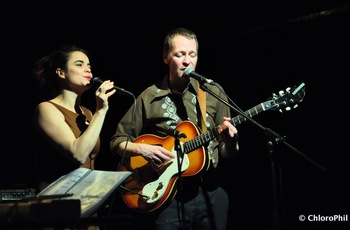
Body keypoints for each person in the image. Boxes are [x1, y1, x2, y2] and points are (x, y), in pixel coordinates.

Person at [110, 27, 239, 230]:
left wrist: (231, 143)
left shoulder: (213, 91)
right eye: (180, 54)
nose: (187, 61)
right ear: (166, 58)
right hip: (168, 197)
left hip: (211, 193)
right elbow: (117, 141)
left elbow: (227, 154)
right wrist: (143, 149)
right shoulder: (149, 97)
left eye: (192, 54)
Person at [31, 44, 116, 193]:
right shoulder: (46, 109)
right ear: (61, 73)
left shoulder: (87, 113)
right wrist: (101, 111)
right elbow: (78, 154)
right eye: (79, 64)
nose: (88, 69)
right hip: (58, 203)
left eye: (89, 65)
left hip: (87, 198)